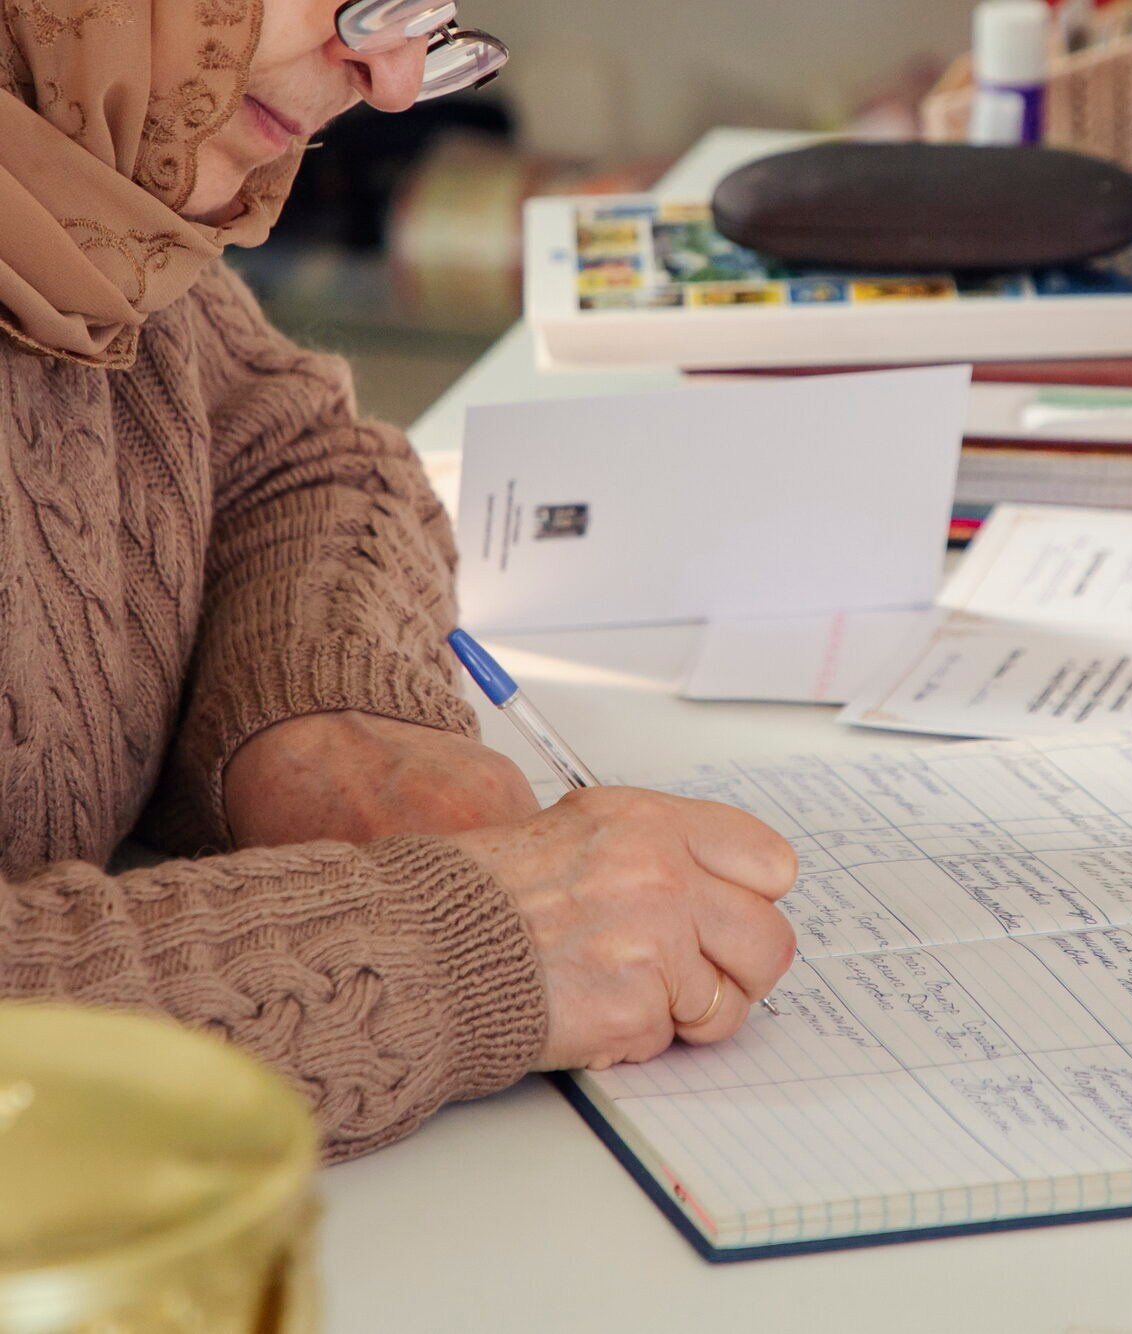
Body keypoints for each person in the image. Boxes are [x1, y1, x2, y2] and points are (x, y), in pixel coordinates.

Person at [0, 0, 798, 1160]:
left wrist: (322, 729)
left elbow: (294, 456)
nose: (386, 80)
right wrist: (458, 944)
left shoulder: (93, 180)